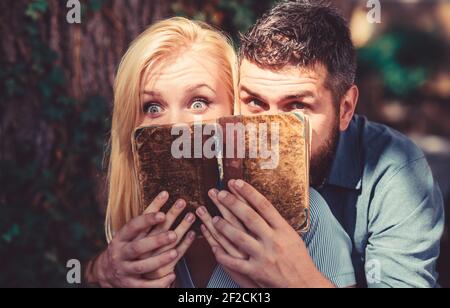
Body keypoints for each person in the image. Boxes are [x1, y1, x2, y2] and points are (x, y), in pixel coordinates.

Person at [84, 17, 355, 288]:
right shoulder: (130, 242)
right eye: (153, 107)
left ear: (234, 113)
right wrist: (100, 274)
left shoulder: (307, 215)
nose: (176, 126)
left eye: (199, 102)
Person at [198, 1, 444, 288]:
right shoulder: (212, 154)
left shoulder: (396, 172)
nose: (270, 131)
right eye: (255, 102)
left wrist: (298, 280)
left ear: (346, 109)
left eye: (297, 106)